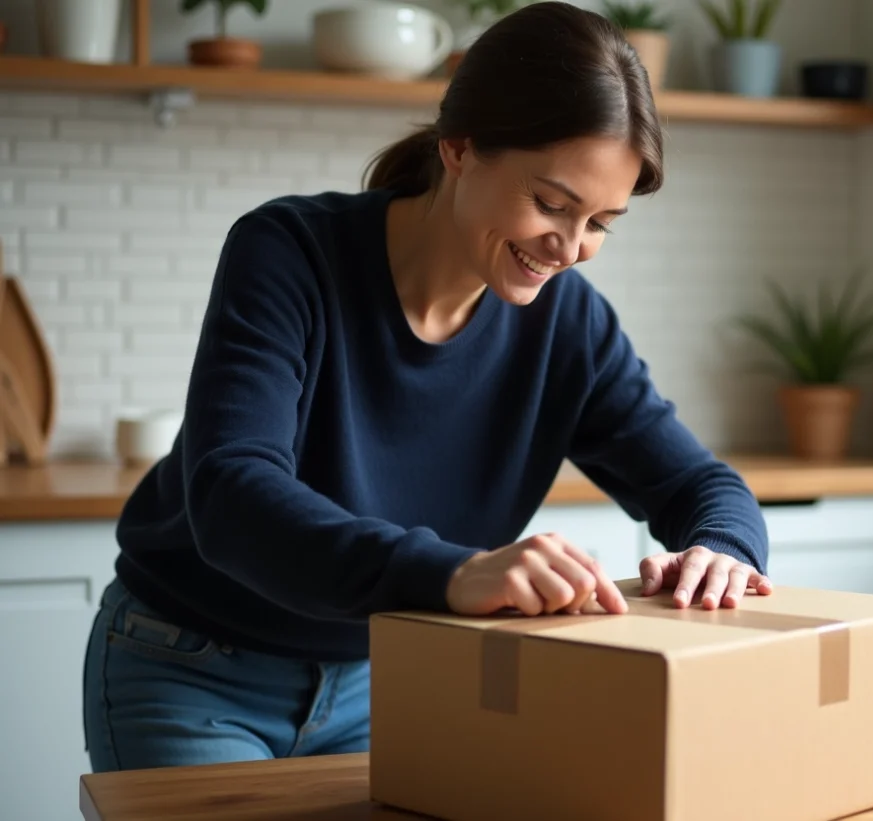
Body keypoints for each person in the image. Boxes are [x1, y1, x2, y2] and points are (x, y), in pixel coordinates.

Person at [82, 1, 771, 774]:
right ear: (460, 147)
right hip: (194, 669)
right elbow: (230, 494)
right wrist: (451, 571)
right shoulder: (289, 253)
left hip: (398, 676)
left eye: (602, 221)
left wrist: (723, 547)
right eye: (552, 204)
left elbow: (698, 482)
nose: (571, 248)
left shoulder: (569, 323)